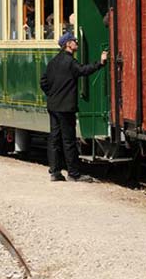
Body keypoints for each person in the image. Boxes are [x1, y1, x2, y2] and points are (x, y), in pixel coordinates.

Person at [40, 31, 108, 182]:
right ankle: (73, 173)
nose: (76, 43)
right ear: (68, 44)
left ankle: (55, 172)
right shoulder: (70, 62)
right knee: (69, 140)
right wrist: (101, 63)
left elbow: (43, 82)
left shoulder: (53, 62)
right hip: (65, 108)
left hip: (53, 106)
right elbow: (84, 70)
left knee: (54, 139)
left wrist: (52, 94)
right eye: (74, 41)